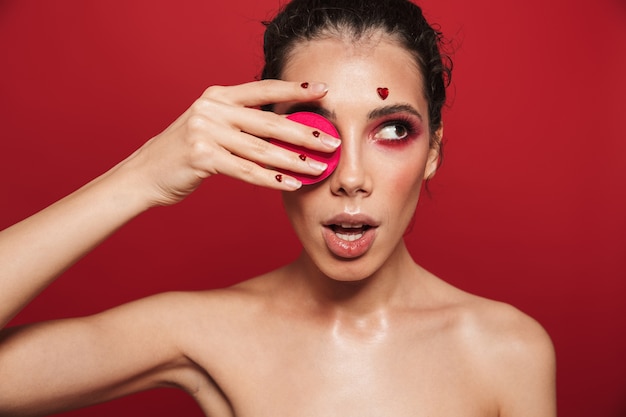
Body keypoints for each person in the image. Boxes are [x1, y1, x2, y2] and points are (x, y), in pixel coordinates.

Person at [0, 0, 556, 415]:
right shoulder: (204, 332)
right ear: (266, 139)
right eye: (315, 132)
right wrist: (144, 175)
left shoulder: (507, 350)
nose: (352, 179)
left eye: (392, 129)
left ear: (432, 151)